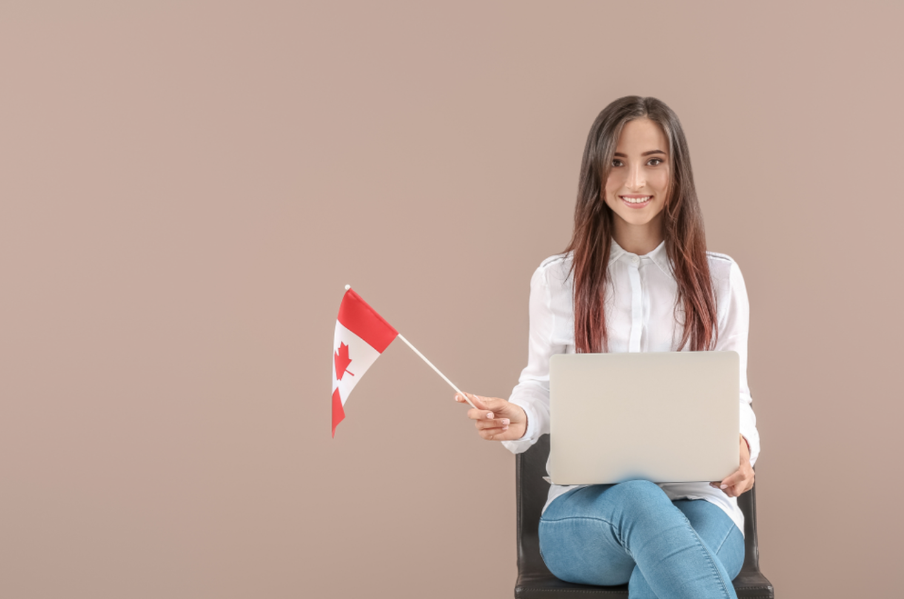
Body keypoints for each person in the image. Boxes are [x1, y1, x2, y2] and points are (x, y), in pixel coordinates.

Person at [454, 96, 759, 599]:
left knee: (659, 576)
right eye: (617, 162)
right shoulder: (559, 280)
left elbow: (735, 397)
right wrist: (521, 418)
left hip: (699, 504)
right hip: (586, 513)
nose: (635, 182)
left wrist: (743, 449)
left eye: (653, 161)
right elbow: (541, 387)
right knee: (640, 503)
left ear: (676, 171)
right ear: (596, 173)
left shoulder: (720, 278)